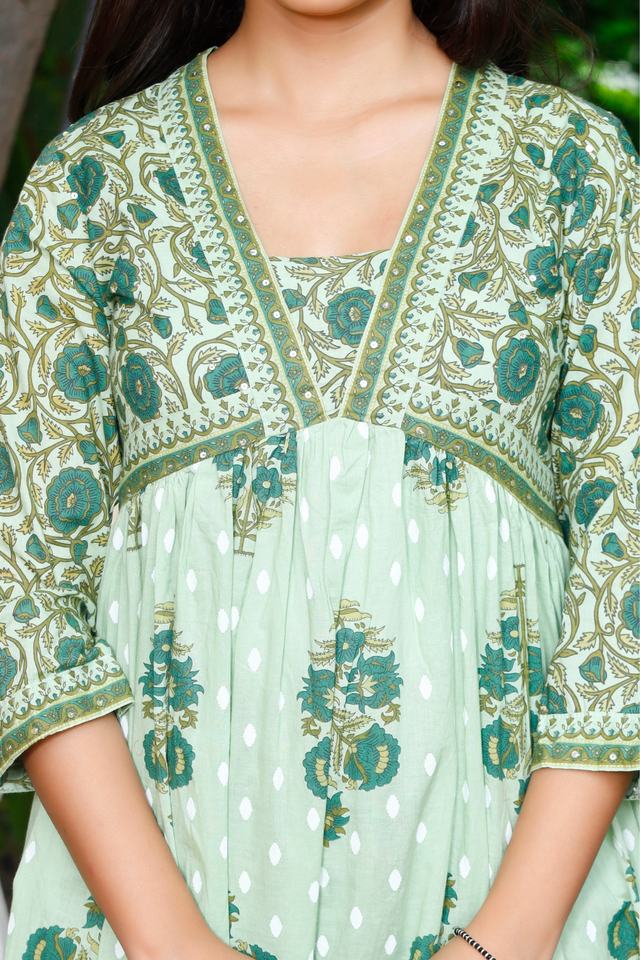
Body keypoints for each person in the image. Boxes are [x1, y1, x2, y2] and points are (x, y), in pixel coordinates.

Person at [0, 1, 638, 958]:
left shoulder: (571, 167)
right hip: (139, 925)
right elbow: (25, 597)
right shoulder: (88, 188)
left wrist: (504, 943)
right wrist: (173, 947)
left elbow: (626, 578)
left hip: (533, 917)